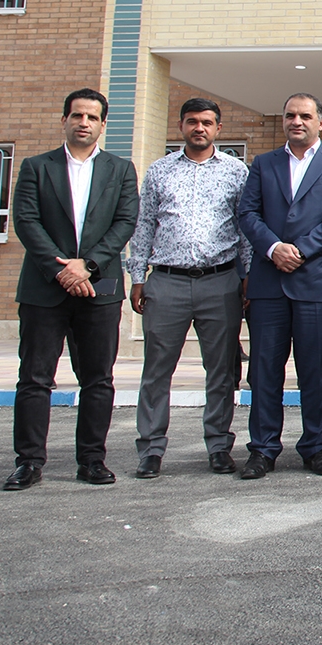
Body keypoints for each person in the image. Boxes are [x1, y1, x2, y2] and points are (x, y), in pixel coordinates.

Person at [3, 88, 140, 491]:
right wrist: (61, 269)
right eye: (77, 115)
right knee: (34, 378)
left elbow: (125, 222)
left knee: (98, 379)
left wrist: (88, 265)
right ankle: (29, 462)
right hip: (44, 288)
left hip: (100, 288)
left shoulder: (120, 169)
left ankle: (92, 460)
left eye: (92, 117)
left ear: (102, 124)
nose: (84, 122)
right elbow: (26, 221)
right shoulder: (36, 167)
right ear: (64, 120)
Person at [235, 93, 322, 479]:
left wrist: (300, 250)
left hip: (316, 282)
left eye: (305, 115)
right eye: (290, 115)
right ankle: (263, 448)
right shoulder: (264, 163)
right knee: (264, 371)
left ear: (321, 121)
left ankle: (314, 445)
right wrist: (274, 248)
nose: (296, 121)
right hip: (269, 282)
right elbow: (247, 212)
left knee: (315, 371)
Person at [126, 97, 252, 478]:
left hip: (220, 281)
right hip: (167, 281)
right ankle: (151, 449)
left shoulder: (236, 172)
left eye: (207, 122)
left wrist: (247, 276)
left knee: (221, 371)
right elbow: (144, 225)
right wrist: (137, 276)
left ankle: (218, 445)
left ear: (218, 128)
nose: (200, 128)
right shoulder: (160, 171)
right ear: (181, 126)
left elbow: (245, 228)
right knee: (157, 370)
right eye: (192, 121)